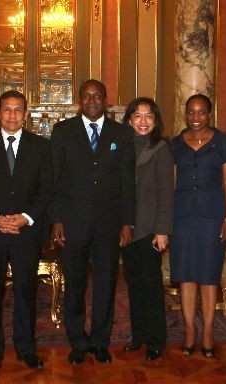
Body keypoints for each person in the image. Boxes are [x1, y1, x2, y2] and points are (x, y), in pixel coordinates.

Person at [50, 79, 136, 365]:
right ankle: (77, 340)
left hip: (109, 224)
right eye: (86, 96)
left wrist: (127, 222)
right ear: (79, 100)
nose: (91, 100)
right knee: (73, 282)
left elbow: (127, 182)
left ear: (106, 99)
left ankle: (100, 340)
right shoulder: (63, 131)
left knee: (106, 283)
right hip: (73, 222)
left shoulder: (121, 134)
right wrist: (57, 219)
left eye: (97, 95)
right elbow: (55, 180)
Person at [0, 90, 52, 371]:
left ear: (26, 115)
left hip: (26, 231)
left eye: (18, 110)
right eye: (7, 110)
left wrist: (25, 217)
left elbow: (45, 189)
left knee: (25, 291)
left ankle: (26, 348)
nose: (13, 115)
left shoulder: (40, 147)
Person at [169, 94, 226, 359]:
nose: (196, 118)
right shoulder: (175, 144)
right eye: (191, 113)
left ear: (210, 114)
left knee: (209, 276)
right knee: (186, 276)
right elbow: (171, 185)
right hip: (182, 218)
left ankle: (207, 331)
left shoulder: (223, 143)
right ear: (185, 115)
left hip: (212, 217)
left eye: (201, 113)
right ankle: (189, 331)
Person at [121, 97, 174, 361]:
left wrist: (162, 230)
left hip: (151, 228)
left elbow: (167, 192)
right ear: (129, 119)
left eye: (148, 116)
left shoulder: (161, 148)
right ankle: (138, 335)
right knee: (134, 286)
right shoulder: (121, 146)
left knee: (151, 286)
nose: (143, 122)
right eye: (137, 116)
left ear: (156, 121)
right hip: (127, 229)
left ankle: (156, 340)